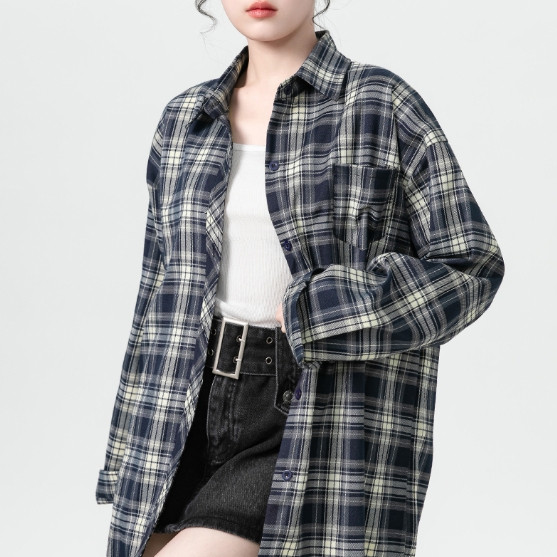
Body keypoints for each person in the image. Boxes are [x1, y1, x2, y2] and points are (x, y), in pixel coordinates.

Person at [95, 1, 505, 556]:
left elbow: (472, 265)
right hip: (184, 404)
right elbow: (156, 294)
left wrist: (325, 309)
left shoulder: (380, 104)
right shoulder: (186, 118)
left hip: (309, 403)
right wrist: (127, 452)